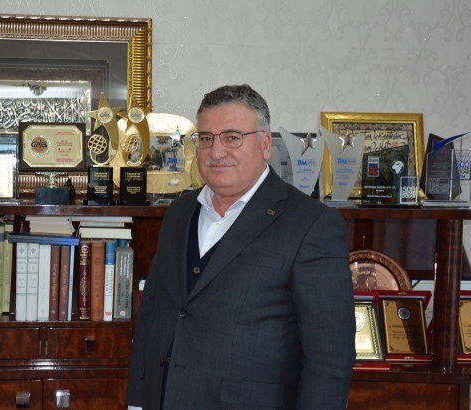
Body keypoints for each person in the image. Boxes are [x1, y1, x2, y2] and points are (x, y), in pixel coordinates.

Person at [126, 84, 355, 410]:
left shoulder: (312, 224)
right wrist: (138, 402)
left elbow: (330, 356)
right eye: (206, 138)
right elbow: (152, 314)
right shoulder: (179, 212)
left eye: (232, 137)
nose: (216, 152)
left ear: (265, 143)